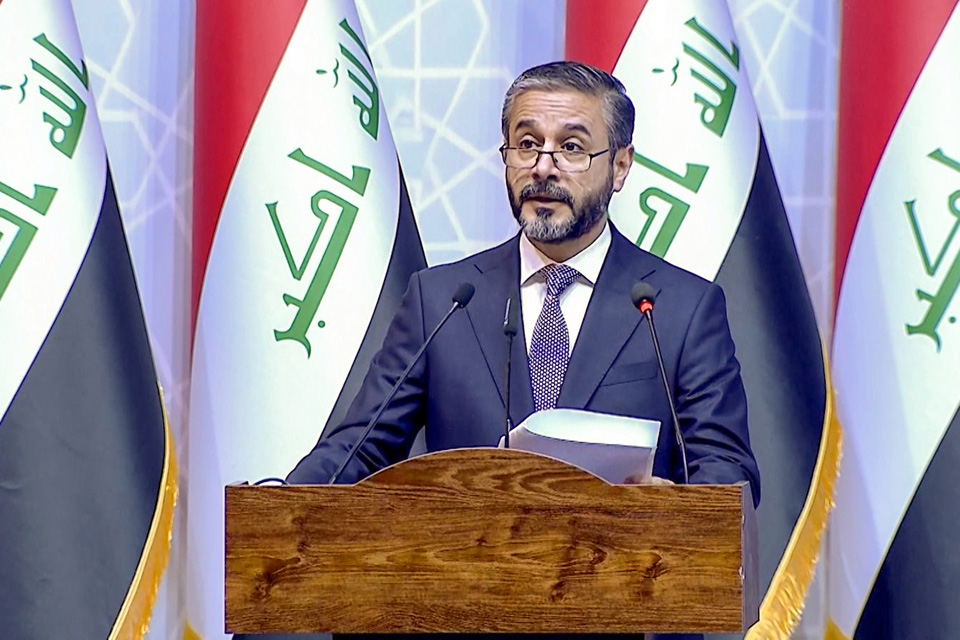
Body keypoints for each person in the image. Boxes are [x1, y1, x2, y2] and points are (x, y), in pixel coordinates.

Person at [289, 60, 759, 504]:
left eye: (571, 148)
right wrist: (277, 503)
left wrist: (669, 508)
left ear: (619, 166)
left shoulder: (680, 310)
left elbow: (726, 471)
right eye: (527, 144)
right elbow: (357, 450)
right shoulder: (444, 302)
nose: (543, 167)